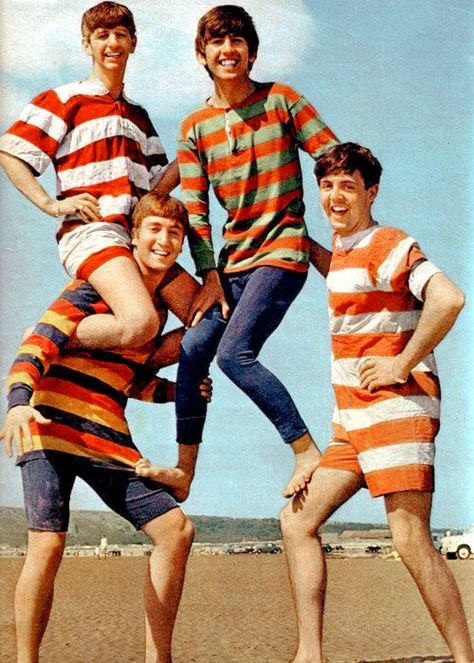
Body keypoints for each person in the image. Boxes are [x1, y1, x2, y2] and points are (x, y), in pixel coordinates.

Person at [280, 143, 473, 663]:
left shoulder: (388, 242)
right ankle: (309, 654)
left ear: (371, 191)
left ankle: (463, 657)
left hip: (398, 409)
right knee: (296, 522)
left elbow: (449, 297)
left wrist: (401, 362)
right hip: (351, 422)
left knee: (410, 539)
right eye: (327, 185)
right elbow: (347, 277)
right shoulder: (347, 252)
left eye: (348, 185)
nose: (335, 195)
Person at [0, 193, 210, 663]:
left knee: (175, 530)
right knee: (48, 544)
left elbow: (130, 382)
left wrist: (175, 392)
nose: (163, 240)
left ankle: (161, 658)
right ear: (133, 236)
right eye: (153, 229)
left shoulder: (151, 317)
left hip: (106, 437)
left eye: (173, 233)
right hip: (47, 426)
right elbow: (38, 342)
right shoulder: (93, 287)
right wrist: (17, 404)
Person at [176, 5, 339, 496]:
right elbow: (196, 211)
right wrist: (208, 275)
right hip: (232, 265)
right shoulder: (195, 127)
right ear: (202, 53)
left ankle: (305, 449)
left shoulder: (283, 100)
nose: (228, 50)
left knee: (233, 356)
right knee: (191, 351)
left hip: (281, 253)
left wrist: (342, 237)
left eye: (237, 41)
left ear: (251, 51)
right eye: (218, 42)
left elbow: (332, 156)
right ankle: (185, 470)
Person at [0, 1, 180, 354]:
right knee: (142, 322)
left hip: (133, 240)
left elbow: (157, 188)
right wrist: (51, 204)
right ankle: (41, 338)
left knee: (209, 318)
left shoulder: (139, 117)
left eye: (120, 35)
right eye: (102, 35)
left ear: (133, 43)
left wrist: (196, 146)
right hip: (92, 233)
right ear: (88, 44)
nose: (112, 43)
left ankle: (135, 377)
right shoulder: (65, 99)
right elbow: (10, 153)